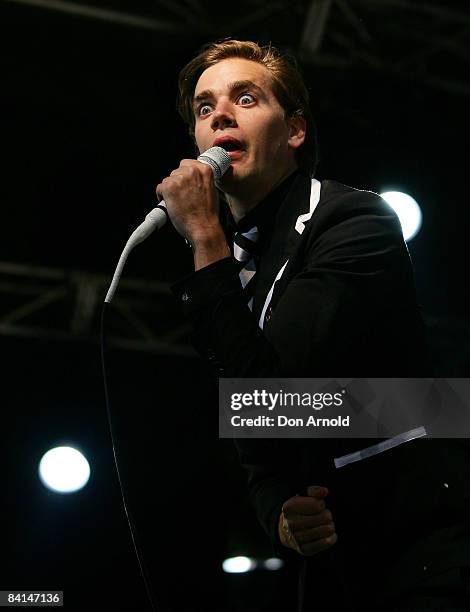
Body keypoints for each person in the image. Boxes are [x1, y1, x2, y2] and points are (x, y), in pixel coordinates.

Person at [157, 39, 470, 611]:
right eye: (204, 109)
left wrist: (204, 234)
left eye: (244, 98)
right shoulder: (233, 266)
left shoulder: (354, 220)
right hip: (336, 572)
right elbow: (250, 429)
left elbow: (267, 395)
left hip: (429, 553)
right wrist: (277, 509)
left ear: (295, 131)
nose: (219, 113)